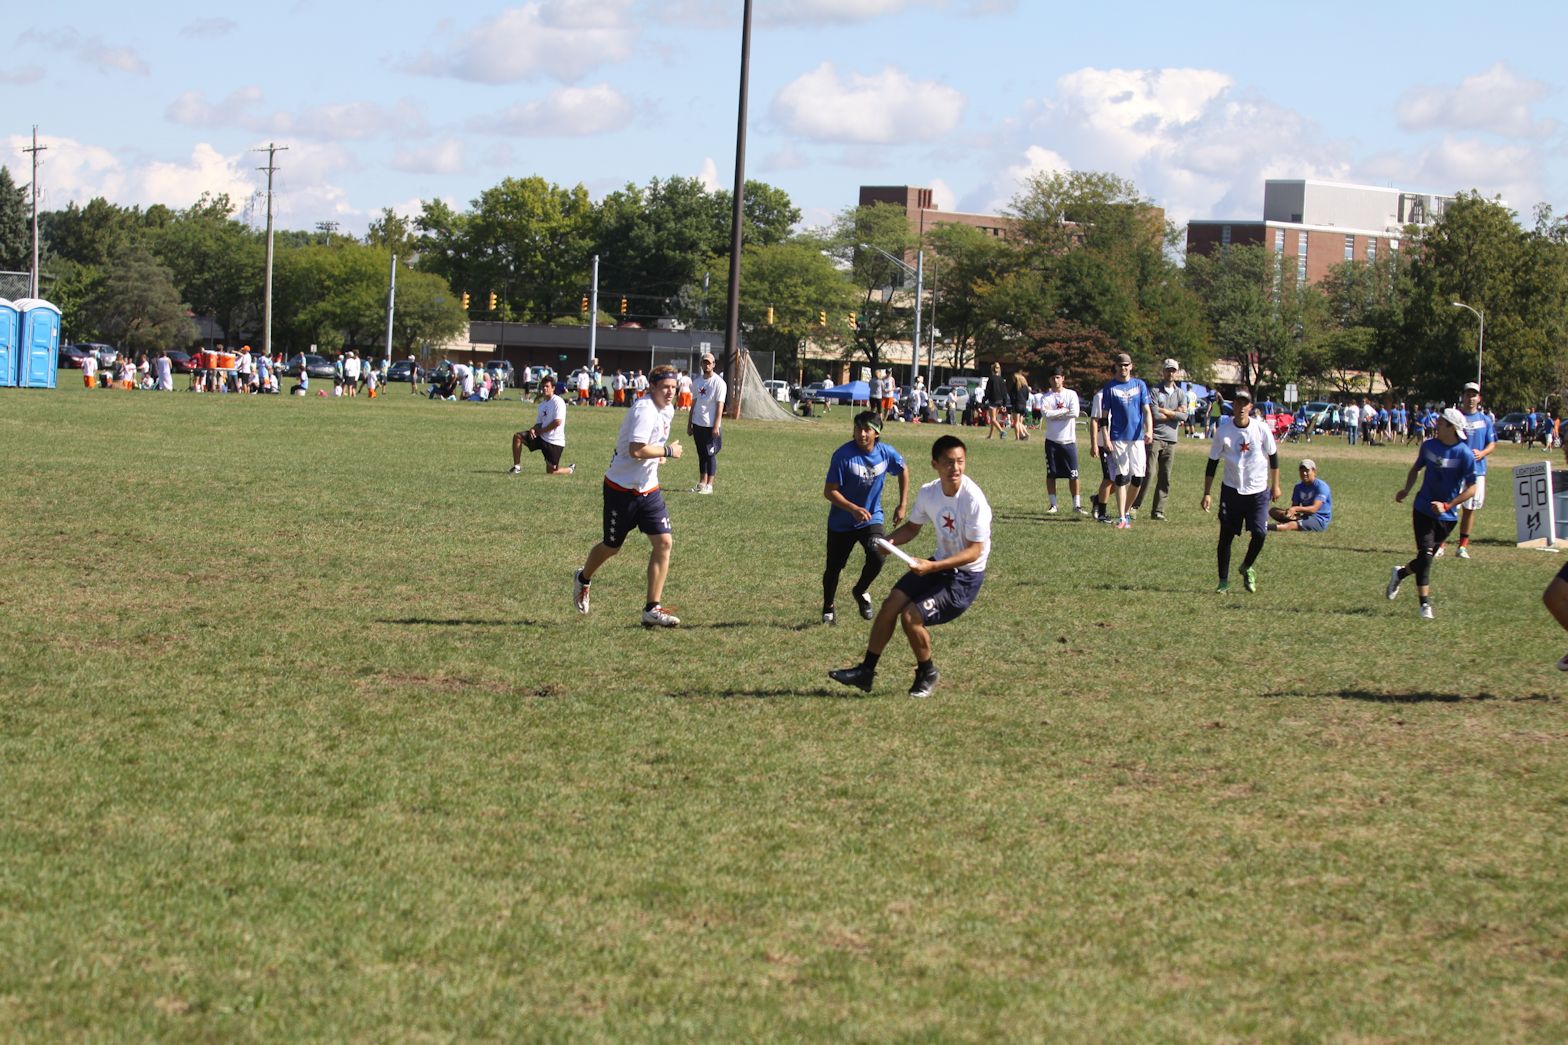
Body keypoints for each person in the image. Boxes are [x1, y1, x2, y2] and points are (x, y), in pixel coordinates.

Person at [828, 434, 991, 699]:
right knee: (890, 604)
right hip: (939, 564)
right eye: (948, 462)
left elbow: (975, 551)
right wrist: (890, 542)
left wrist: (932, 567)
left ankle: (928, 672)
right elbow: (913, 528)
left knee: (911, 617)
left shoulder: (973, 499)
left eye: (960, 461)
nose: (955, 468)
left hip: (965, 577)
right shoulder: (929, 492)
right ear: (935, 464)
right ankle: (866, 672)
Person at [573, 365, 684, 627]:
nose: (670, 392)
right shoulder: (644, 410)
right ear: (652, 387)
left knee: (664, 543)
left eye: (674, 387)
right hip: (621, 490)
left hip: (649, 489)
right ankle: (583, 578)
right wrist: (667, 452)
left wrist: (658, 456)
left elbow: (649, 444)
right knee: (611, 547)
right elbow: (636, 449)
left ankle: (652, 609)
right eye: (665, 387)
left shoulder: (668, 409)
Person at [1386, 408, 1478, 619]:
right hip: (1422, 509)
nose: (1436, 423)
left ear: (1451, 428)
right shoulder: (1428, 446)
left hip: (1448, 517)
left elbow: (1472, 488)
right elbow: (1415, 469)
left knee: (1424, 560)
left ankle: (1400, 573)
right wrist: (1406, 489)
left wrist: (1448, 505)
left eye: (1441, 422)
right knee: (1426, 558)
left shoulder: (1464, 454)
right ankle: (1424, 606)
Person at [821, 411, 909, 625]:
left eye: (867, 429)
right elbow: (829, 491)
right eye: (858, 428)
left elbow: (903, 469)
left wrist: (902, 504)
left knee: (878, 555)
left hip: (871, 518)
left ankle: (860, 590)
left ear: (876, 433)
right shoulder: (843, 456)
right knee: (834, 568)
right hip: (842, 522)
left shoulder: (886, 453)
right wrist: (852, 508)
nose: (861, 434)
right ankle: (828, 607)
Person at [1201, 388, 1280, 593]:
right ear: (1233, 405)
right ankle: (1223, 582)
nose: (1241, 407)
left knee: (1260, 533)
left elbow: (1273, 457)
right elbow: (1212, 463)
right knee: (1226, 537)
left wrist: (1276, 485)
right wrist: (1207, 493)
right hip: (1232, 490)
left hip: (1258, 491)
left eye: (1245, 403)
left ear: (1250, 406)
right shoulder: (1223, 431)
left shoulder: (1261, 429)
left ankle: (1246, 566)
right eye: (1238, 403)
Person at [1090, 353, 1153, 529]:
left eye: (1126, 365)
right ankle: (1122, 517)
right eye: (1120, 365)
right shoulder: (1110, 387)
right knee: (1121, 477)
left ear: (1131, 366)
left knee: (1138, 478)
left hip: (1137, 438)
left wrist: (1149, 430)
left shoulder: (1140, 385)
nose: (1123, 368)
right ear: (1116, 366)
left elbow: (1146, 411)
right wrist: (1106, 437)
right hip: (1118, 437)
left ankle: (1126, 511)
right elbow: (1103, 417)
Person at [1446, 381, 1496, 559]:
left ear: (1479, 398)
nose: (1470, 398)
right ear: (1463, 397)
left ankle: (1462, 546)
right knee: (1449, 506)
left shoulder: (1485, 420)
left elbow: (1492, 444)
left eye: (1474, 395)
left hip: (1477, 471)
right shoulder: (1456, 417)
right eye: (1468, 395)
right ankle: (1440, 544)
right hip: (1456, 470)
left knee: (1470, 508)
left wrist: (1482, 453)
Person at [1132, 358, 1185, 520]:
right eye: (1168, 370)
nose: (1171, 373)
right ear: (1163, 371)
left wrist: (1166, 411)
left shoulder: (1180, 393)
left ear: (1177, 372)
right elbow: (1154, 415)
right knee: (1149, 473)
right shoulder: (1154, 391)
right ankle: (1134, 506)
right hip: (1155, 437)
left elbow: (1184, 416)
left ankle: (1158, 510)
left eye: (1173, 370)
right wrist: (1174, 413)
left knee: (1165, 476)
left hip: (1171, 439)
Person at [1040, 368, 1084, 515]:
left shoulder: (1071, 394)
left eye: (1058, 377)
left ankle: (1077, 505)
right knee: (1051, 474)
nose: (1056, 380)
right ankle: (1053, 505)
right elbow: (1046, 414)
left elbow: (1075, 413)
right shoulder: (1046, 397)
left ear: (1063, 378)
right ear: (1049, 380)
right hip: (1052, 441)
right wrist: (1064, 411)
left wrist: (1056, 414)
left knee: (1074, 474)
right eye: (1053, 378)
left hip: (1069, 441)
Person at [511, 373, 574, 476]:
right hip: (541, 437)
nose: (544, 388)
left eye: (547, 386)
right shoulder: (542, 405)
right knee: (517, 437)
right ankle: (517, 467)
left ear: (553, 388)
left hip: (554, 442)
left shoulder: (558, 402)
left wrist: (541, 431)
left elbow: (557, 422)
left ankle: (570, 470)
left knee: (551, 471)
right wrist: (533, 429)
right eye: (543, 386)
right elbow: (539, 423)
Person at [687, 352, 726, 495]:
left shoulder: (719, 383)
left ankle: (710, 485)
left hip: (710, 425)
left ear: (714, 364)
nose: (707, 365)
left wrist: (716, 425)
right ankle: (702, 482)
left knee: (710, 454)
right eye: (704, 362)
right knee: (701, 454)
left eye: (709, 363)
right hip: (698, 423)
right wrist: (689, 423)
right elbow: (693, 403)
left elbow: (720, 405)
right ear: (701, 364)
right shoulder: (697, 382)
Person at [1269, 459, 1332, 531]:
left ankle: (1267, 527)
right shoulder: (1298, 487)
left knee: (1292, 525)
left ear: (1314, 471)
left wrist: (1296, 509)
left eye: (1307, 471)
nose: (1304, 473)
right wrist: (1290, 514)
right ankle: (1293, 523)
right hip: (1305, 516)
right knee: (1273, 511)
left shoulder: (1321, 486)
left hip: (1319, 520)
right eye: (1302, 471)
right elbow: (1294, 506)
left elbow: (1314, 509)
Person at [984, 362, 1007, 439]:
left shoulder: (991, 378)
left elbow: (987, 391)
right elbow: (1004, 392)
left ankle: (1002, 431)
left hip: (993, 400)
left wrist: (984, 400)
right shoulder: (1001, 379)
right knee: (994, 419)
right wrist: (1004, 403)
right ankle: (990, 435)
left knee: (993, 419)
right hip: (1000, 401)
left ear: (992, 370)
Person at [1009, 371, 1031, 440]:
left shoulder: (1015, 387)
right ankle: (1024, 434)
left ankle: (1017, 437)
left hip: (1016, 405)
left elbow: (1012, 396)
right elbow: (1027, 397)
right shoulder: (1025, 387)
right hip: (1023, 405)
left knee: (1016, 422)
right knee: (1020, 422)